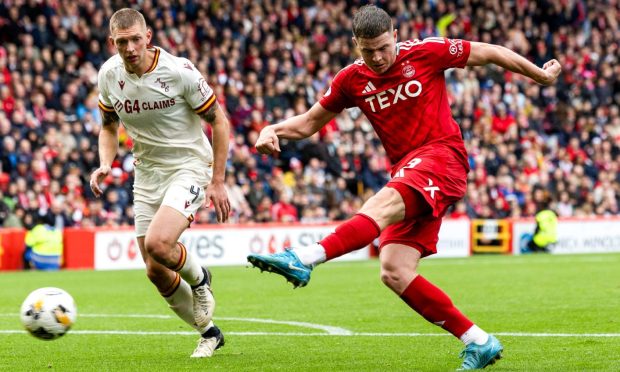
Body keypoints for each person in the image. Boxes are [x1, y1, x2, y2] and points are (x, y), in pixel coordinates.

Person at [247, 5, 561, 370]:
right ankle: (478, 340)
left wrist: (539, 75)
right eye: (368, 50)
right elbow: (308, 123)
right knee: (393, 269)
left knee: (379, 205)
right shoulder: (351, 80)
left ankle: (303, 259)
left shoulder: (426, 52)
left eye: (383, 47)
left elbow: (488, 51)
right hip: (409, 171)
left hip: (442, 157)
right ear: (356, 45)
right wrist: (272, 129)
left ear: (395, 35)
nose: (378, 57)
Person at [90, 8, 231, 358]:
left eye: (136, 39)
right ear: (113, 43)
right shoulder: (108, 75)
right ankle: (209, 333)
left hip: (188, 166)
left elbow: (220, 121)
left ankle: (200, 280)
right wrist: (105, 163)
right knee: (155, 270)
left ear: (148, 37)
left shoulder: (179, 71)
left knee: (159, 243)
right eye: (122, 42)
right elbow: (108, 126)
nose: (130, 47)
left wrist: (218, 181)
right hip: (147, 173)